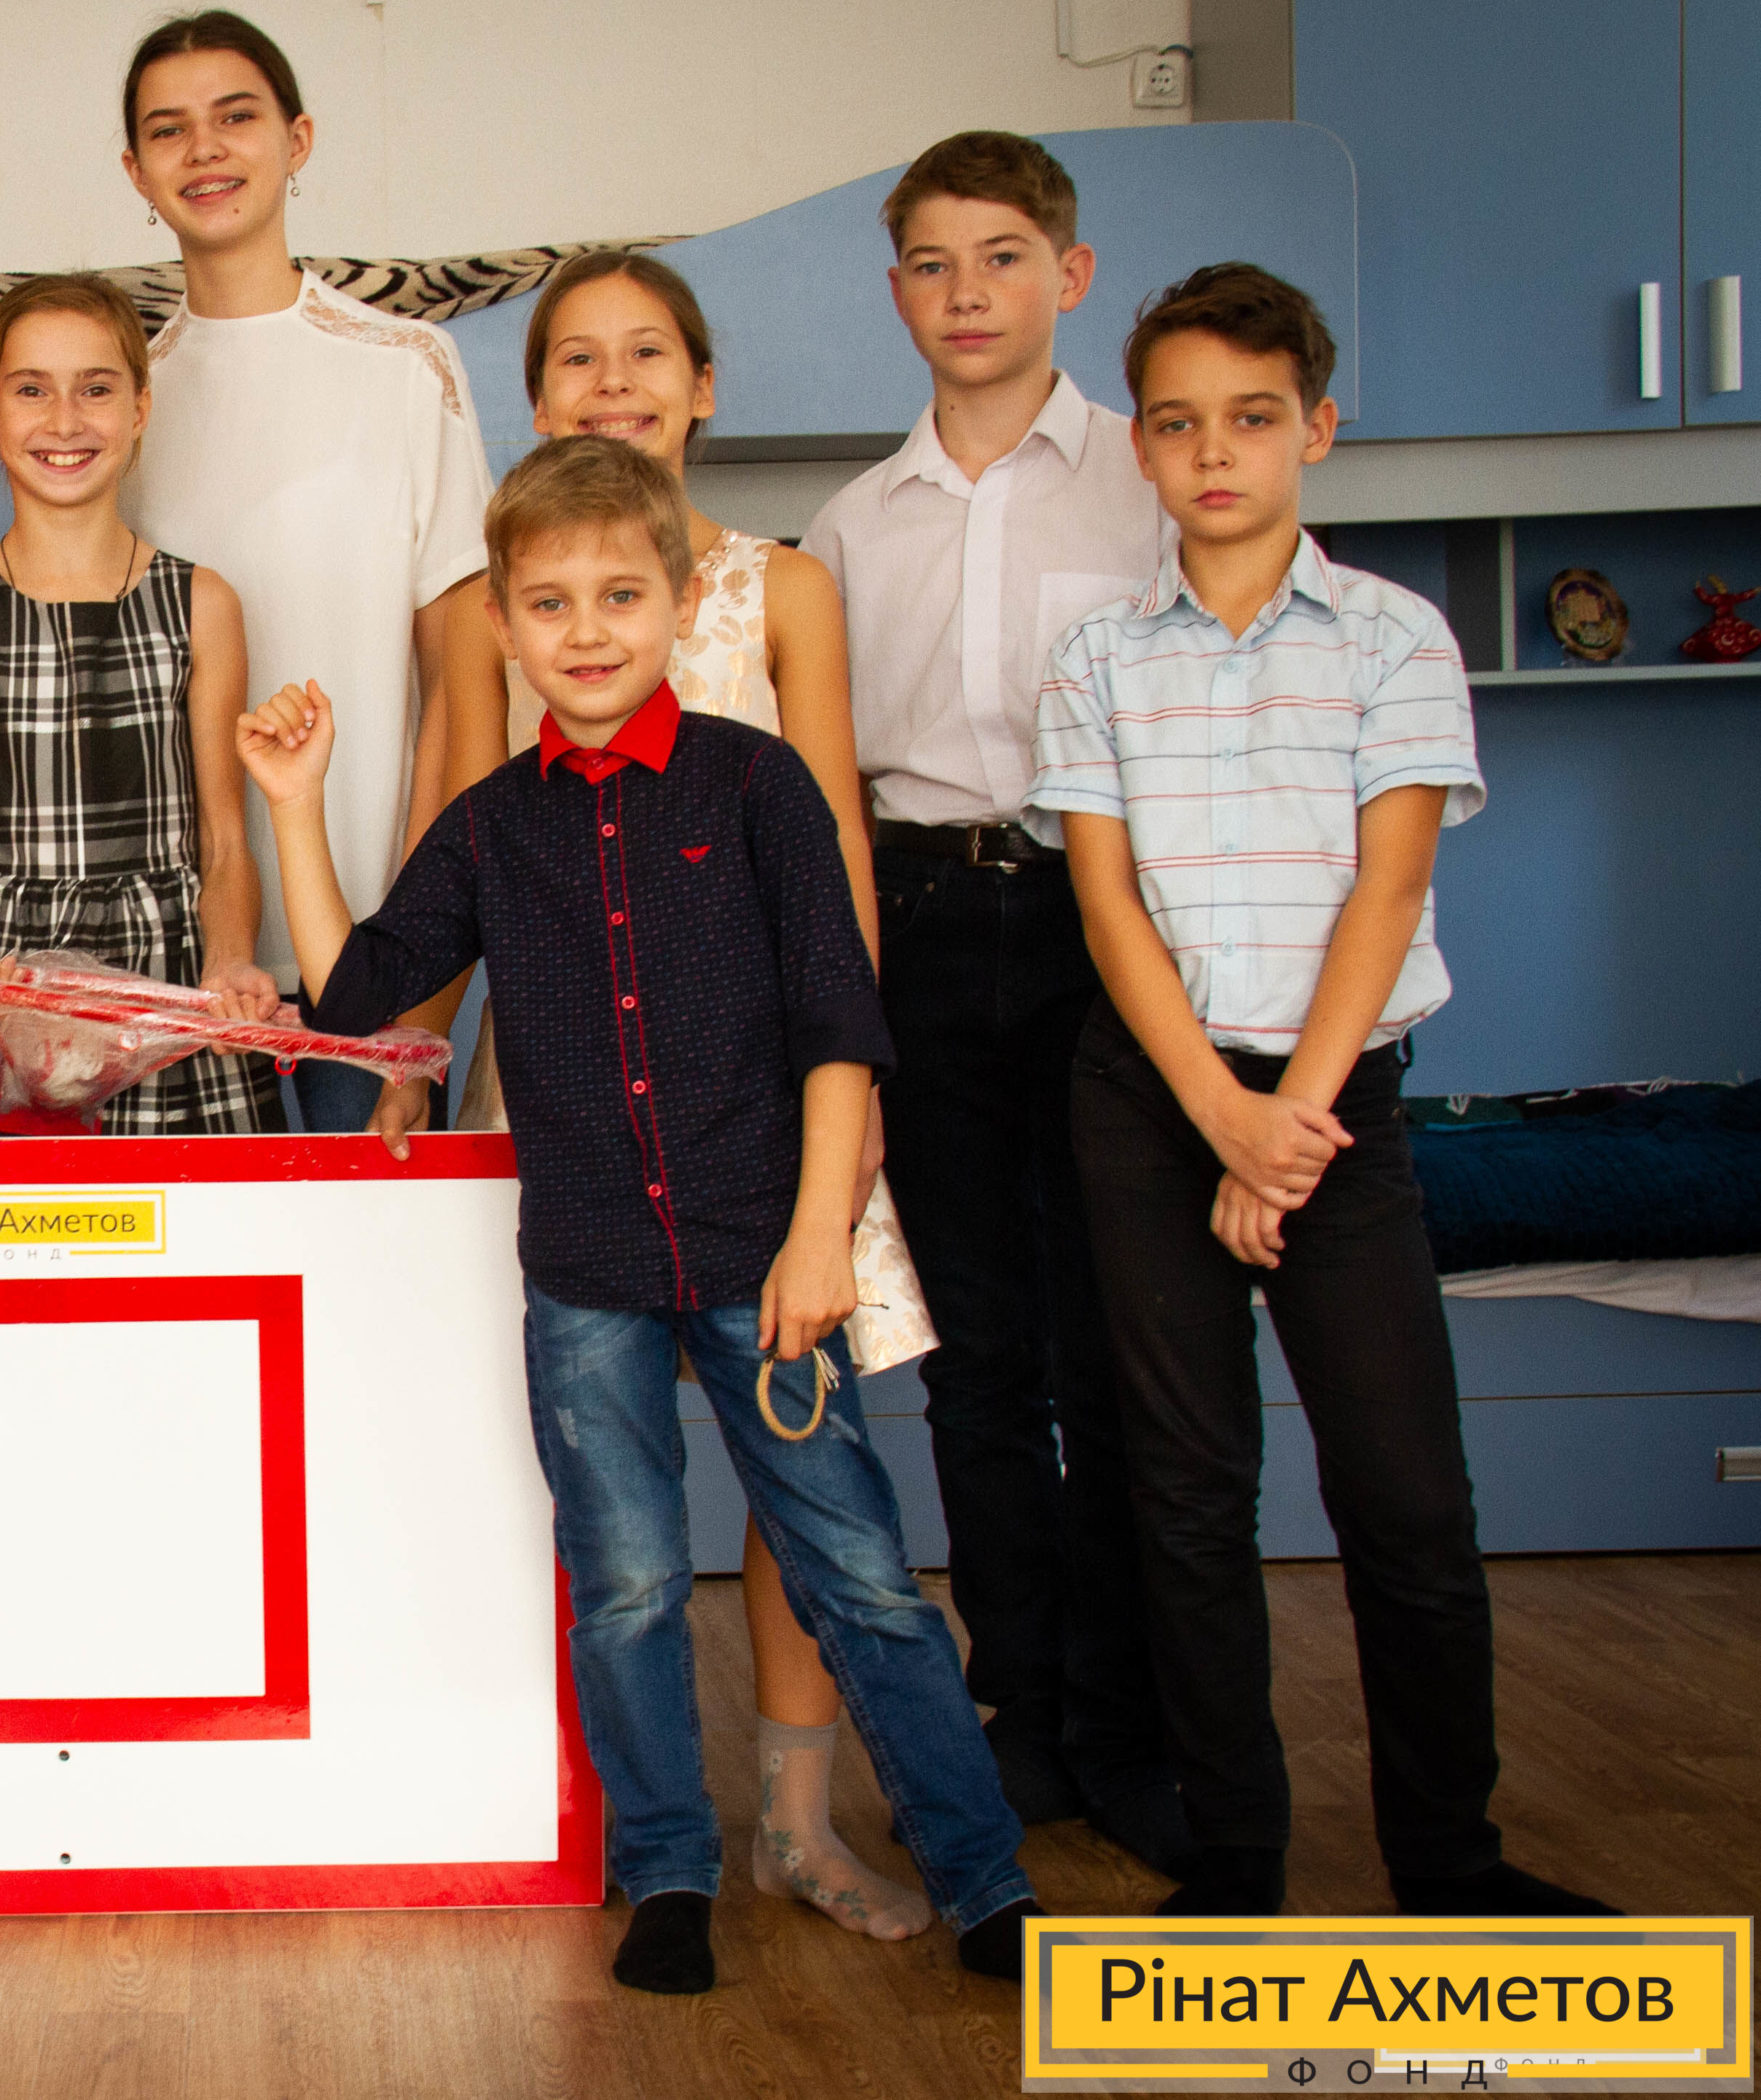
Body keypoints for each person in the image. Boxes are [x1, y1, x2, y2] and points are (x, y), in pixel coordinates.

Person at [239, 436, 1038, 1993]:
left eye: (619, 594)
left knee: (862, 1576)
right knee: (623, 1584)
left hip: (762, 1254)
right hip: (587, 1273)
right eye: (547, 602)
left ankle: (983, 1874)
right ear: (503, 627)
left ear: (679, 598)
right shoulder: (490, 823)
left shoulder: (758, 785)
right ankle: (668, 1865)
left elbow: (839, 1019)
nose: (586, 629)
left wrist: (820, 1235)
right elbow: (351, 993)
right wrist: (295, 802)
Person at [1026, 265, 1616, 1924]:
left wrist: (1283, 1124)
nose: (1212, 451)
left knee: (1406, 1498)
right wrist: (1220, 1118)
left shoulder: (1393, 636)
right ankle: (1234, 1859)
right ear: (1139, 446)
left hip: (1335, 1105)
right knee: (1186, 1493)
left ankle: (1449, 1859)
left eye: (1250, 417)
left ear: (1316, 428)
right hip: (1154, 1102)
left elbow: (1386, 888)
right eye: (1176, 422)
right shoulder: (1094, 656)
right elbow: (1107, 911)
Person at [443, 251, 927, 1938]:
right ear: (533, 401)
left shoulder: (781, 586)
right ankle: (613, 1822)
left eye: (644, 352)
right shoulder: (481, 607)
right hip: (564, 1095)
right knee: (584, 1473)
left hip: (765, 1094)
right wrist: (400, 1084)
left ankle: (796, 1818)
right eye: (575, 359)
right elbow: (455, 854)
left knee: (801, 1455)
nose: (612, 384)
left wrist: (847, 1086)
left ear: (701, 383)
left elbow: (838, 846)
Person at [797, 130, 1189, 1876]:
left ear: (1069, 274)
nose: (966, 293)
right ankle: (1015, 1706)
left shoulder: (1146, 484)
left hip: (1109, 926)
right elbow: (826, 787)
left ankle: (1126, 1720)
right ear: (893, 292)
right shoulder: (844, 526)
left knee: (1116, 1344)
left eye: (1002, 255)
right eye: (931, 263)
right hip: (921, 926)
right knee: (972, 1355)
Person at [114, 9, 490, 1147]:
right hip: (179, 960)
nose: (204, 149)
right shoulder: (118, 404)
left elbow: (463, 694)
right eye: (168, 130)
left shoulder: (406, 370)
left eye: (235, 117)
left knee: (365, 1262)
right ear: (135, 172)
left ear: (298, 139)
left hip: (366, 954)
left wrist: (420, 991)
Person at [0, 273, 280, 1144]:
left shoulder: (202, 603)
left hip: (164, 988)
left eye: (96, 388)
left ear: (139, 408)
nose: (65, 420)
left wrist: (229, 959)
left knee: (183, 1227)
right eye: (31, 389)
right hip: (6, 985)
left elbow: (222, 842)